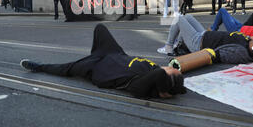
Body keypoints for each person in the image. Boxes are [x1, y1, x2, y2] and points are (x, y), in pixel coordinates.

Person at [20, 24, 186, 99]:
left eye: (171, 69)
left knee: (67, 68)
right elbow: (168, 78)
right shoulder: (157, 71)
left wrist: (165, 90)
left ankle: (39, 67)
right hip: (113, 53)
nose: (169, 65)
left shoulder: (143, 86)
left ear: (164, 78)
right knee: (100, 28)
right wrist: (176, 80)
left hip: (98, 68)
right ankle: (94, 53)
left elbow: (154, 80)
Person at [157, 14, 253, 63]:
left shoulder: (241, 52)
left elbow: (221, 56)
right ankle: (180, 45)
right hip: (204, 35)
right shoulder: (247, 42)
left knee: (178, 18)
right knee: (188, 17)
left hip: (199, 43)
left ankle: (169, 47)